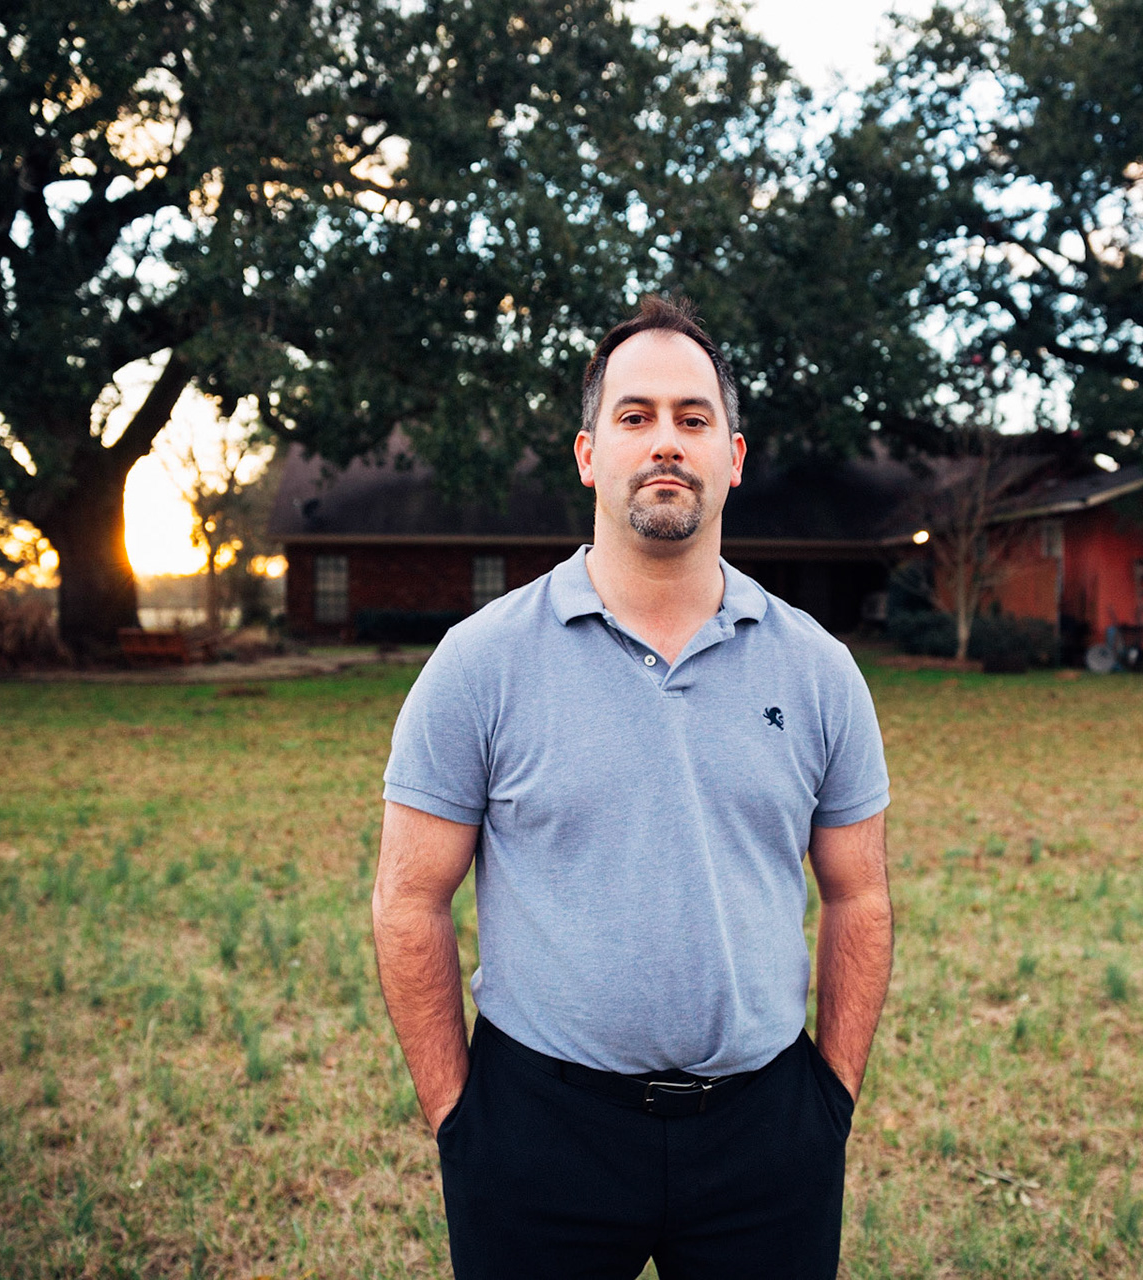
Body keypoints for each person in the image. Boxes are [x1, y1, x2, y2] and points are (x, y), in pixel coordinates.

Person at [371, 294, 894, 1279]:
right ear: (587, 453)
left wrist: (830, 1100)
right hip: (538, 1133)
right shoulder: (478, 663)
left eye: (694, 419)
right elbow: (407, 898)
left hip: (767, 1134)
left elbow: (859, 894)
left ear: (734, 456)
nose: (666, 442)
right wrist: (459, 1118)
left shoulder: (820, 670)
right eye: (636, 415)